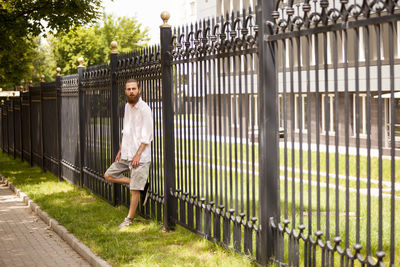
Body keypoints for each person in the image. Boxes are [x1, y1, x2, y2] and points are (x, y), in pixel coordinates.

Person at [104, 78, 153, 229]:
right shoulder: (127, 106)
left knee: (133, 191)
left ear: (139, 90)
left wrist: (138, 155)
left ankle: (129, 219)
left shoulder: (145, 109)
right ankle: (140, 185)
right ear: (125, 91)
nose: (131, 91)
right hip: (126, 153)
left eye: (134, 89)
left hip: (140, 157)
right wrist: (120, 149)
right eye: (128, 89)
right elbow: (126, 131)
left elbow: (148, 136)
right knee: (108, 175)